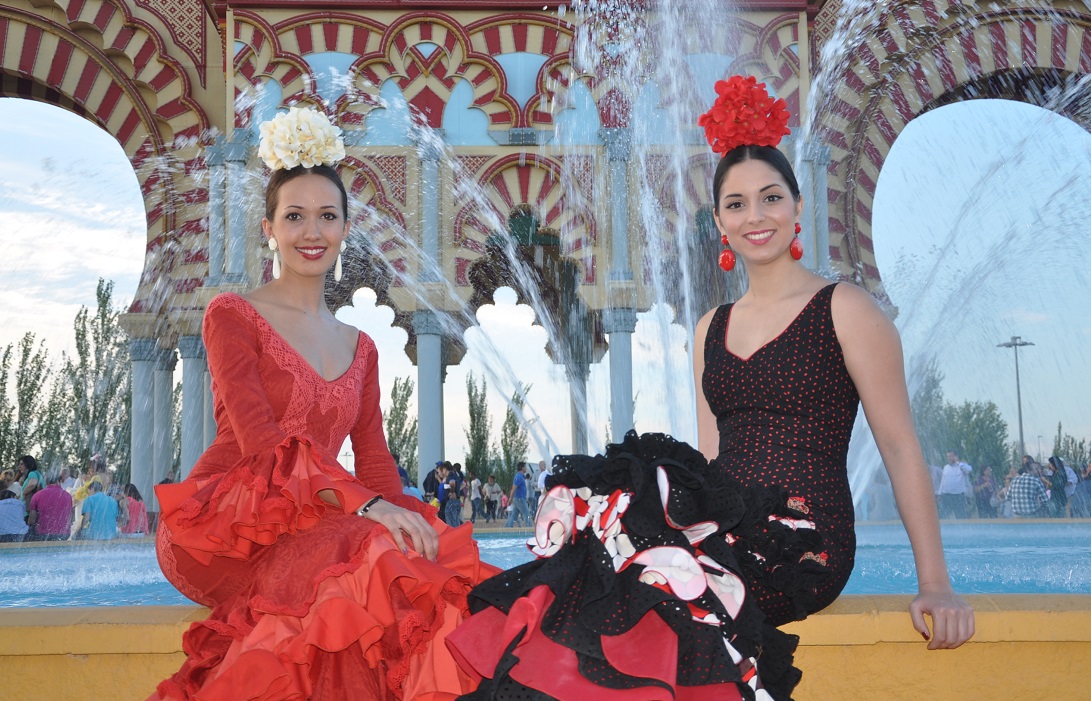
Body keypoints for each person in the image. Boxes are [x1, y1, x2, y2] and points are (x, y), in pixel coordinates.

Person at [446, 76, 972, 700]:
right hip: (726, 528)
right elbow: (710, 463)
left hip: (802, 541)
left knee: (637, 565)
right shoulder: (709, 330)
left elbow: (901, 447)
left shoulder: (845, 309)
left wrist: (934, 582)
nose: (757, 217)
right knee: (607, 541)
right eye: (737, 204)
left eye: (771, 198)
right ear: (719, 220)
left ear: (797, 208)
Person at [148, 107, 495, 701]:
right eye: (295, 216)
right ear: (269, 229)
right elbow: (265, 448)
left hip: (326, 525)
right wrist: (370, 512)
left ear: (344, 227)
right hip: (228, 525)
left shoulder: (360, 346)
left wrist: (403, 516)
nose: (312, 232)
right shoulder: (232, 315)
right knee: (367, 549)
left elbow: (377, 463)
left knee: (424, 567)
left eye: (327, 216)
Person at [28, 470, 74, 540]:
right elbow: (71, 517)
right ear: (59, 481)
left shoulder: (37, 495)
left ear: (46, 481)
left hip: (42, 535)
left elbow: (31, 520)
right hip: (63, 534)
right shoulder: (68, 496)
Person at [937, 451, 973, 519]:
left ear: (956, 456)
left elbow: (969, 469)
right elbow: (943, 481)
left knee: (960, 516)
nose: (949, 458)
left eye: (951, 456)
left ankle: (962, 529)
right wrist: (939, 494)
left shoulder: (961, 467)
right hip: (946, 496)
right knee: (942, 516)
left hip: (958, 496)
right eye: (948, 456)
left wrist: (958, 462)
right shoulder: (946, 467)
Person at [503, 462, 530, 527]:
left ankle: (507, 528)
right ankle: (530, 529)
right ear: (522, 468)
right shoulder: (519, 477)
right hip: (519, 498)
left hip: (519, 498)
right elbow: (513, 488)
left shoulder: (521, 476)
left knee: (514, 515)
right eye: (525, 467)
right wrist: (510, 499)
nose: (526, 468)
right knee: (526, 514)